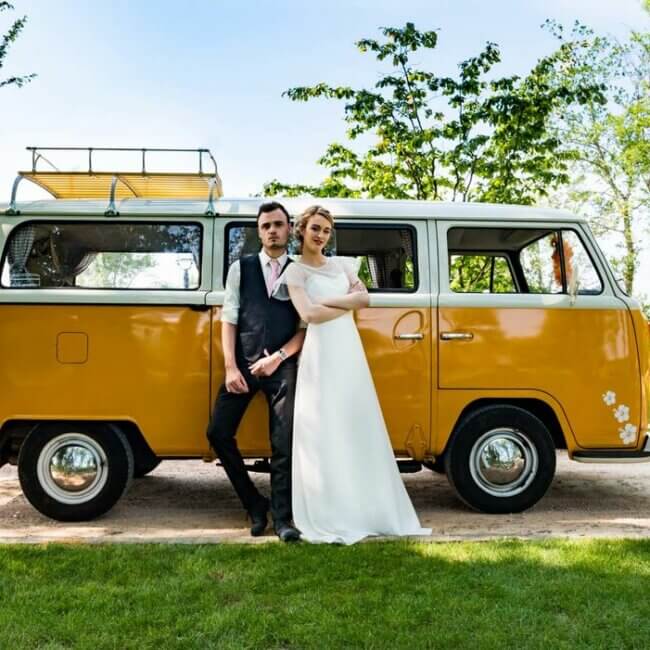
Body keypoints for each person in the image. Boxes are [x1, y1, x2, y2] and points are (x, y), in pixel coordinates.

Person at [274, 205, 432, 544]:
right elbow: (309, 314)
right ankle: (330, 508)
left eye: (326, 231)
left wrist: (335, 300)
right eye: (315, 228)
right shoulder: (294, 272)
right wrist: (346, 299)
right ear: (302, 230)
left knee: (354, 421)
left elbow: (366, 299)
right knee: (324, 425)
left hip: (348, 350)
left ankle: (363, 506)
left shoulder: (344, 265)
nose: (320, 235)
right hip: (321, 352)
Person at [206, 201, 305, 542]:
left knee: (283, 443)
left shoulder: (300, 270)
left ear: (289, 228)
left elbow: (305, 328)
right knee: (218, 433)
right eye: (266, 226)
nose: (272, 231)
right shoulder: (241, 268)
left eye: (278, 224)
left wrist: (277, 357)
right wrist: (232, 366)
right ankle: (254, 503)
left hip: (283, 367)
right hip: (244, 366)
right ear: (259, 231)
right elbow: (229, 318)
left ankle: (284, 519)